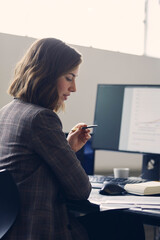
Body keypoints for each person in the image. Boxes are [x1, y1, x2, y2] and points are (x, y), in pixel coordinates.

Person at [0, 37, 145, 240]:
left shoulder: (7, 112)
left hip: (13, 231)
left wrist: (68, 147)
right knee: (128, 223)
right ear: (46, 75)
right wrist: (68, 153)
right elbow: (80, 190)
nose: (74, 88)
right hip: (41, 231)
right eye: (69, 78)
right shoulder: (41, 118)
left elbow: (30, 170)